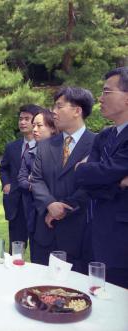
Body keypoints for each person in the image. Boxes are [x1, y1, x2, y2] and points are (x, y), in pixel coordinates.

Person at [31, 86, 95, 272]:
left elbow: (92, 184)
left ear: (77, 111)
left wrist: (64, 208)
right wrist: (50, 204)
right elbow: (36, 179)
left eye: (59, 106)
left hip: (79, 231)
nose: (53, 112)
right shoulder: (45, 145)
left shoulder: (97, 144)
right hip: (45, 231)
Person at [75, 67, 128, 288]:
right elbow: (83, 177)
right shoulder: (105, 135)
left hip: (121, 239)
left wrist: (97, 174)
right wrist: (119, 182)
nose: (100, 98)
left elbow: (102, 172)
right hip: (92, 231)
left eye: (107, 92)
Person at [0, 104, 41, 252]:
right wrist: (6, 183)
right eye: (20, 119)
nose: (22, 122)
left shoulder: (46, 146)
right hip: (15, 203)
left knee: (39, 248)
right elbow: (3, 168)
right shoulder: (12, 147)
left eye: (27, 119)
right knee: (16, 248)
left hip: (37, 203)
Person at [17, 109, 56, 262]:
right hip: (34, 211)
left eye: (39, 126)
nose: (34, 129)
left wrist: (35, 180)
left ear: (52, 128)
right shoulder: (30, 152)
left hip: (56, 212)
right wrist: (35, 185)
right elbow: (21, 179)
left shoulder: (62, 151)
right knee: (37, 258)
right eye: (34, 125)